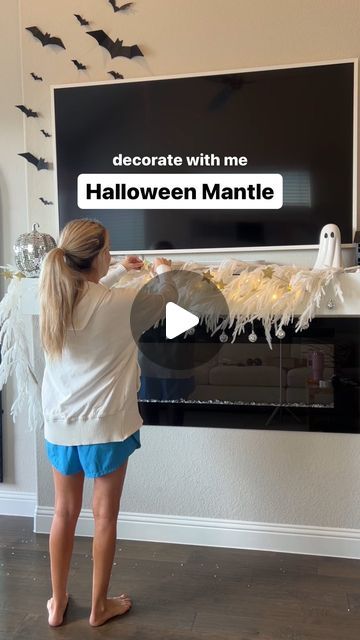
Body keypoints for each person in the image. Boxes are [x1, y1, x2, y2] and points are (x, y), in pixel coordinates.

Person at [39, 218, 177, 627]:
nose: (112, 256)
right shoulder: (123, 306)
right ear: (97, 255)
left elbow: (92, 294)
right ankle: (99, 607)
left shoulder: (53, 297)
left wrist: (119, 271)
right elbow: (170, 297)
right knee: (104, 517)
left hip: (60, 424)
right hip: (106, 427)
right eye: (109, 251)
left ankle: (57, 602)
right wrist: (161, 268)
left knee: (63, 512)